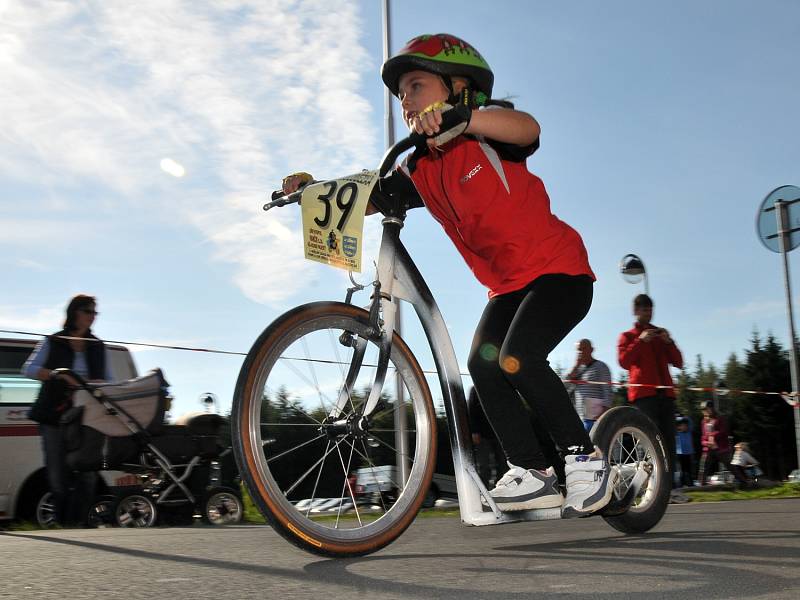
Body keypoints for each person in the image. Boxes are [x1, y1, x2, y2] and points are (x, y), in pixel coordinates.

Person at [283, 33, 616, 517]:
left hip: (559, 272)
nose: (407, 100)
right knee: (484, 365)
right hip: (508, 288)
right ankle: (533, 471)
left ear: (459, 87)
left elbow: (527, 128)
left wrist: (467, 121)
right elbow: (372, 197)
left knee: (518, 357)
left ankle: (583, 458)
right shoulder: (419, 167)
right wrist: (315, 190)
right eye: (401, 95)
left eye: (416, 85)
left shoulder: (487, 133)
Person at [22, 294, 112, 526]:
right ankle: (64, 526)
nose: (93, 317)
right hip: (54, 415)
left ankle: (80, 524)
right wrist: (56, 375)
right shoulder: (53, 341)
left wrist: (101, 385)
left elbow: (110, 381)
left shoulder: (98, 346)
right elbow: (28, 368)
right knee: (57, 475)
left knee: (88, 473)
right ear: (75, 313)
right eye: (88, 311)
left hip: (87, 417)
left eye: (95, 313)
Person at [618, 294, 684, 475]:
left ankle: (670, 486)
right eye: (644, 310)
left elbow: (678, 362)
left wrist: (669, 342)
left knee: (669, 441)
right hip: (644, 397)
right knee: (649, 440)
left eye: (650, 310)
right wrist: (640, 341)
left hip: (666, 396)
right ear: (635, 311)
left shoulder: (660, 335)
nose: (648, 314)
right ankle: (651, 482)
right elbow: (623, 362)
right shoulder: (627, 336)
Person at [566, 339, 612, 431]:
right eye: (579, 349)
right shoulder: (577, 369)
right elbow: (565, 386)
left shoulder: (601, 366)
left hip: (595, 418)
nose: (581, 352)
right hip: (580, 418)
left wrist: (603, 414)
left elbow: (608, 391)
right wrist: (576, 366)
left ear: (591, 350)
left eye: (583, 348)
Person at [697, 402, 731, 486]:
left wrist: (712, 436)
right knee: (703, 466)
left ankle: (744, 482)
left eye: (706, 409)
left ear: (711, 408)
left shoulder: (720, 418)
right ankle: (702, 485)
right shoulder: (703, 421)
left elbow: (724, 432)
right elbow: (703, 437)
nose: (705, 412)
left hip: (720, 447)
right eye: (703, 410)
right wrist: (706, 443)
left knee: (730, 465)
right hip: (708, 448)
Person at [674, 414, 694, 487]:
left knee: (689, 470)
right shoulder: (677, 433)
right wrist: (677, 417)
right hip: (680, 455)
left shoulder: (689, 431)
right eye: (682, 426)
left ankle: (690, 484)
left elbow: (690, 421)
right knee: (681, 471)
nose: (684, 427)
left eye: (685, 425)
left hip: (688, 454)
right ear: (678, 427)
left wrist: (683, 417)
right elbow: (673, 422)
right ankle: (681, 485)